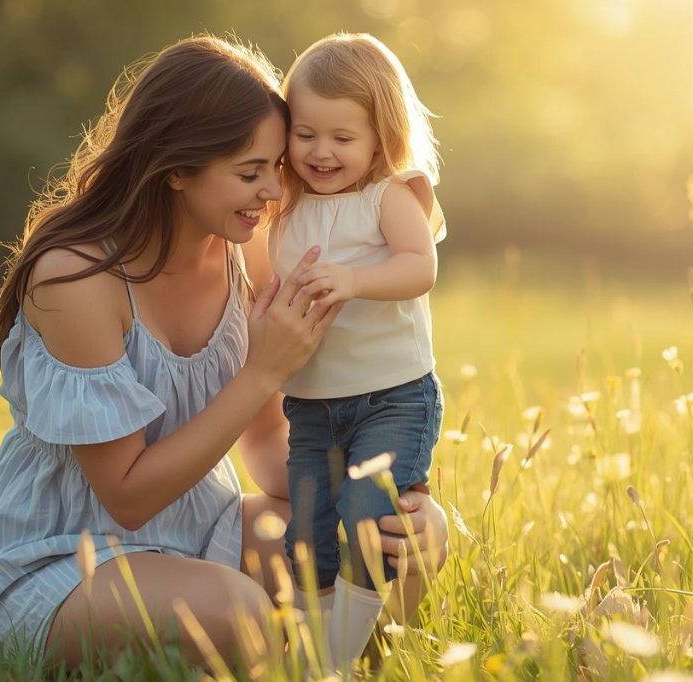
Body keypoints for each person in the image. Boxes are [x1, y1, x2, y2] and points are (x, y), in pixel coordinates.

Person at [0, 35, 449, 670]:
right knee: (235, 612)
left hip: (204, 535)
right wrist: (264, 370)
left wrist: (378, 498)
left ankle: (337, 659)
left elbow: (273, 447)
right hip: (64, 562)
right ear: (176, 169)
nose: (274, 192)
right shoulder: (74, 281)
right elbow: (129, 496)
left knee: (391, 547)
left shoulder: (246, 248)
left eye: (278, 166)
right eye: (250, 173)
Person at [269, 33, 447, 667]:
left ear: (380, 137)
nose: (321, 152)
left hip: (391, 396)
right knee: (308, 535)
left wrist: (354, 280)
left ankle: (341, 657)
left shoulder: (388, 197)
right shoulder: (285, 209)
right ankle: (318, 653)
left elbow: (418, 266)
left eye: (343, 138)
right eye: (306, 133)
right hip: (312, 407)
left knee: (369, 518)